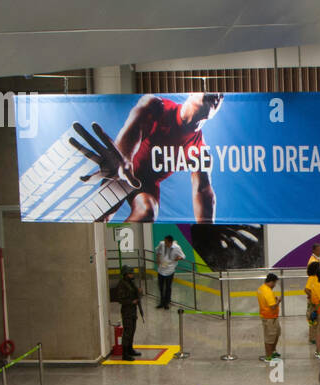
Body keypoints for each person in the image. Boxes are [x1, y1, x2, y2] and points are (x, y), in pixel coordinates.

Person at [72, 93, 221, 222]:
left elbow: (203, 192)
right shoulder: (156, 106)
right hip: (123, 170)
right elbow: (133, 129)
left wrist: (209, 234)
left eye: (222, 95)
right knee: (98, 219)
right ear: (191, 92)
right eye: (208, 87)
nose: (217, 94)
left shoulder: (201, 151)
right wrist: (124, 158)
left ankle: (118, 246)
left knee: (148, 212)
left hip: (147, 185)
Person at [114, 265, 141, 360]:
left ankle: (130, 349)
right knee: (127, 332)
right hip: (127, 311)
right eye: (130, 273)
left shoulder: (131, 283)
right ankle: (125, 354)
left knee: (132, 330)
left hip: (133, 310)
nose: (132, 275)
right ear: (125, 274)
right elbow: (120, 299)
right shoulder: (122, 284)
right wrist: (131, 302)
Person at [154, 234, 185, 309]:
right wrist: (158, 259)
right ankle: (161, 302)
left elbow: (183, 256)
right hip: (161, 269)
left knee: (168, 287)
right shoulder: (162, 244)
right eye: (164, 242)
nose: (165, 243)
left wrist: (178, 258)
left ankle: (167, 302)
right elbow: (157, 251)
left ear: (170, 242)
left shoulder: (177, 248)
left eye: (166, 242)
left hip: (170, 270)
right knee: (161, 287)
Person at [257, 273, 282, 362]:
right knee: (270, 337)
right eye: (274, 283)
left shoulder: (261, 288)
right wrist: (278, 301)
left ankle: (272, 351)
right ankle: (268, 356)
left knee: (277, 333)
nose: (275, 285)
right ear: (271, 282)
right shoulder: (267, 291)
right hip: (269, 318)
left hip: (271, 316)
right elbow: (272, 306)